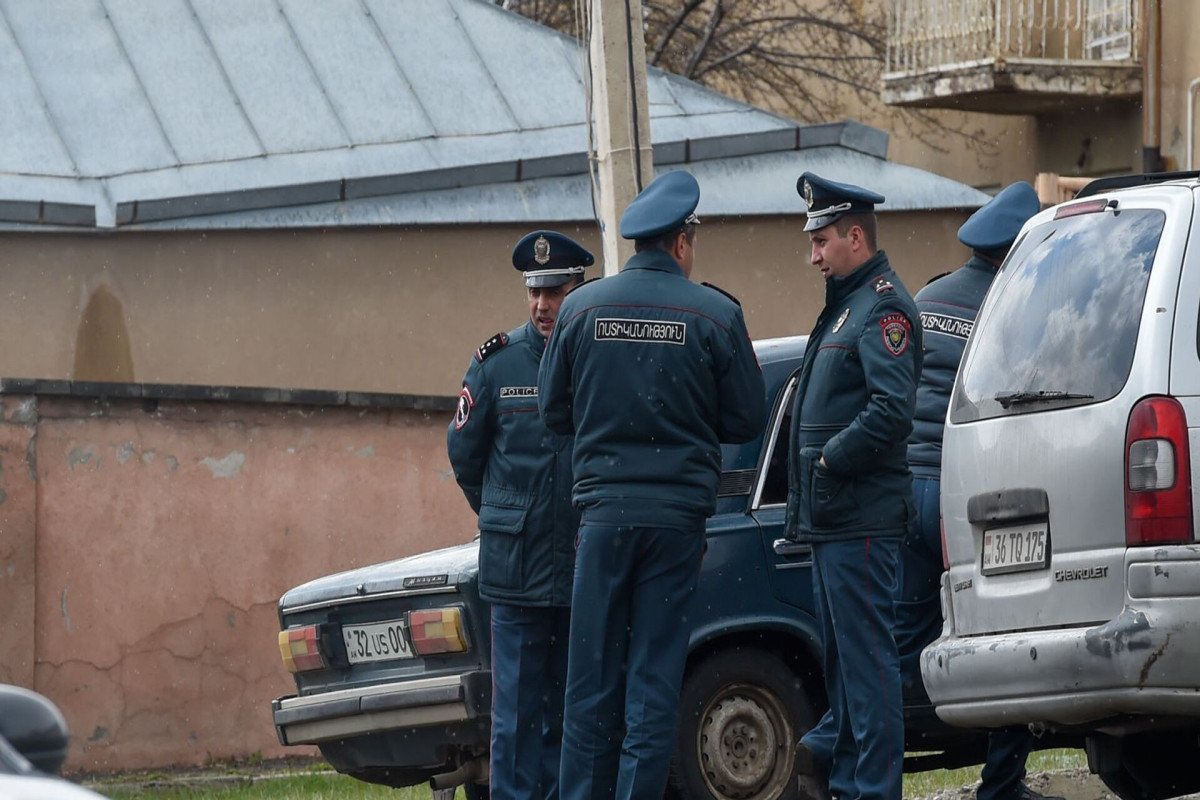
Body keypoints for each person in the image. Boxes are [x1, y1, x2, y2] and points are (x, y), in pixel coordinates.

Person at [537, 170, 766, 800]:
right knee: (653, 682)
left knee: (589, 684)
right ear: (682, 243)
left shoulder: (581, 308)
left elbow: (553, 413)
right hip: (675, 524)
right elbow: (747, 416)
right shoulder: (716, 314)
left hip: (603, 522)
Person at [899, 181, 1061, 800]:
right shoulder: (1013, 306)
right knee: (1006, 635)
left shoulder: (927, 296)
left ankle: (840, 745)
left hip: (904, 490)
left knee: (903, 641)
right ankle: (1001, 784)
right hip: (964, 499)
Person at [785, 172, 922, 800]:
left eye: (821, 241)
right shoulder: (848, 303)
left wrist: (829, 461)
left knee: (868, 673)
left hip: (860, 519)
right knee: (842, 670)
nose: (812, 255)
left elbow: (891, 412)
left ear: (855, 236)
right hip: (833, 520)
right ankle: (847, 786)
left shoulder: (883, 307)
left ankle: (874, 790)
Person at [446, 230, 594, 800]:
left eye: (554, 292)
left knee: (568, 714)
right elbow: (464, 456)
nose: (541, 304)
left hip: (580, 571)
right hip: (514, 577)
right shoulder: (497, 363)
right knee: (513, 721)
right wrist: (504, 516)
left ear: (576, 290)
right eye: (535, 292)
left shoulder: (594, 360)